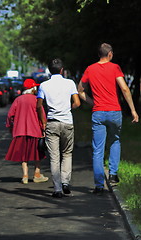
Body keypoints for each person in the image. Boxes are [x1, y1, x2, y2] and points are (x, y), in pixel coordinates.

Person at [78, 43, 139, 195]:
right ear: (110, 54)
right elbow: (124, 88)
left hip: (98, 113)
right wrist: (133, 110)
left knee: (98, 149)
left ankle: (99, 185)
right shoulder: (115, 68)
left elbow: (80, 90)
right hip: (114, 111)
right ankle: (113, 175)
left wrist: (93, 102)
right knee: (115, 140)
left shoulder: (90, 69)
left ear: (99, 54)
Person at [36, 59, 81, 198]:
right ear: (62, 70)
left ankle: (57, 189)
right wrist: (68, 109)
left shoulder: (43, 85)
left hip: (52, 123)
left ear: (49, 70)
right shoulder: (70, 83)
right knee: (67, 153)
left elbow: (38, 106)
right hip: (67, 122)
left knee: (54, 157)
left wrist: (43, 122)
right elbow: (77, 103)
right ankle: (65, 182)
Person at [5, 79, 49, 184]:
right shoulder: (36, 100)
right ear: (34, 88)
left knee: (23, 154)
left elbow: (10, 115)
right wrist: (44, 127)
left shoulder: (18, 100)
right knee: (37, 153)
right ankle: (37, 174)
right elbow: (42, 115)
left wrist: (9, 127)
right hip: (35, 131)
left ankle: (25, 176)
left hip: (20, 131)